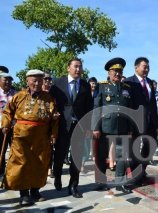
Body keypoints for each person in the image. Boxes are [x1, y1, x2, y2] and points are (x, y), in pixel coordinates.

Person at [1, 69, 58, 206]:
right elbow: (8, 112)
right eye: (34, 80)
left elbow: (54, 118)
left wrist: (53, 134)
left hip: (41, 137)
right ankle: (24, 193)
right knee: (22, 164)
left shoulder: (48, 98)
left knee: (40, 163)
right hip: (21, 137)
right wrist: (5, 125)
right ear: (27, 81)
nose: (37, 83)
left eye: (40, 80)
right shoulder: (19, 96)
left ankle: (35, 191)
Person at [50, 58, 93, 198]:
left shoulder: (86, 85)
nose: (78, 69)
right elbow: (50, 102)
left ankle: (74, 185)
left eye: (80, 67)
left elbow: (89, 108)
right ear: (68, 68)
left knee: (77, 157)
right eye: (75, 66)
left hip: (79, 126)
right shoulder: (58, 83)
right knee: (59, 155)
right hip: (63, 126)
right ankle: (57, 175)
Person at [91, 57, 133, 194]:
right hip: (105, 126)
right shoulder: (102, 86)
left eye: (119, 71)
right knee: (102, 155)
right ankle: (101, 181)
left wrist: (130, 128)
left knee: (121, 156)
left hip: (122, 126)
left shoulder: (126, 88)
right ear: (109, 73)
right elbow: (97, 108)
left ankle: (120, 183)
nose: (117, 74)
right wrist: (95, 127)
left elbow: (130, 109)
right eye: (114, 71)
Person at [125, 57, 158, 185]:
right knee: (134, 150)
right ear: (136, 67)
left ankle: (141, 171)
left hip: (150, 122)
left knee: (151, 146)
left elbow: (152, 103)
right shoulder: (129, 82)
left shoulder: (150, 82)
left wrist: (156, 122)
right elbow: (127, 104)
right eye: (144, 67)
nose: (146, 69)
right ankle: (135, 176)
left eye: (148, 67)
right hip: (135, 122)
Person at [81, 77, 98, 173]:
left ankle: (95, 162)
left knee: (95, 143)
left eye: (95, 83)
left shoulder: (98, 94)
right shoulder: (85, 94)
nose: (93, 85)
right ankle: (82, 163)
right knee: (86, 144)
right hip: (86, 122)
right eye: (92, 83)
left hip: (95, 122)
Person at [0, 73, 16, 176]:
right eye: (5, 80)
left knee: (15, 152)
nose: (7, 82)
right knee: (1, 151)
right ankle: (1, 173)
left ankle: (12, 174)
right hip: (0, 127)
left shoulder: (16, 94)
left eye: (10, 80)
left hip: (14, 127)